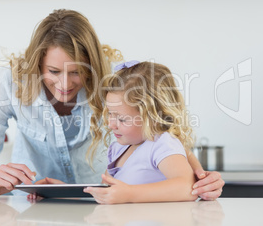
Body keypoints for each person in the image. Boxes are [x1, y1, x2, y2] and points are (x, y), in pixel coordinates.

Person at [0, 9, 224, 199]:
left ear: (91, 64)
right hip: (34, 210)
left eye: (76, 72)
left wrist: (199, 177)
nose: (64, 84)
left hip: (105, 208)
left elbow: (163, 136)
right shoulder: (8, 83)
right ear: (36, 65)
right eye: (53, 71)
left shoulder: (114, 84)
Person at [82, 61, 198, 204]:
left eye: (122, 119)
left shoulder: (161, 144)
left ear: (153, 118)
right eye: (110, 114)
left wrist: (129, 194)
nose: (110, 124)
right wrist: (63, 191)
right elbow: (106, 194)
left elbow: (187, 187)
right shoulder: (118, 148)